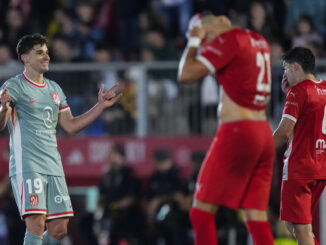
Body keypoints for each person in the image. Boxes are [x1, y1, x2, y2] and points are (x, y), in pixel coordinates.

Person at [0, 33, 121, 245]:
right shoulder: (13, 86)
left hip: (53, 165)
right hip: (28, 164)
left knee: (58, 229)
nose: (46, 57)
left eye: (46, 52)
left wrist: (100, 106)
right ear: (24, 58)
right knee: (36, 222)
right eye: (39, 53)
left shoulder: (54, 89)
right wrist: (3, 108)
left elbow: (71, 126)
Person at [178, 13, 274, 245]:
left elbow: (185, 73)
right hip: (263, 132)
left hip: (238, 132)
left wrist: (193, 42)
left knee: (200, 213)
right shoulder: (258, 39)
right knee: (255, 216)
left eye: (204, 34)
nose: (206, 41)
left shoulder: (229, 40)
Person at [273, 47, 326, 245]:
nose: (284, 75)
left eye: (286, 69)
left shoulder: (298, 91)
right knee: (294, 226)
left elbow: (284, 132)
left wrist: (257, 152)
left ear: (296, 66)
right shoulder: (323, 88)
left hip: (300, 168)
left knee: (300, 229)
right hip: (320, 168)